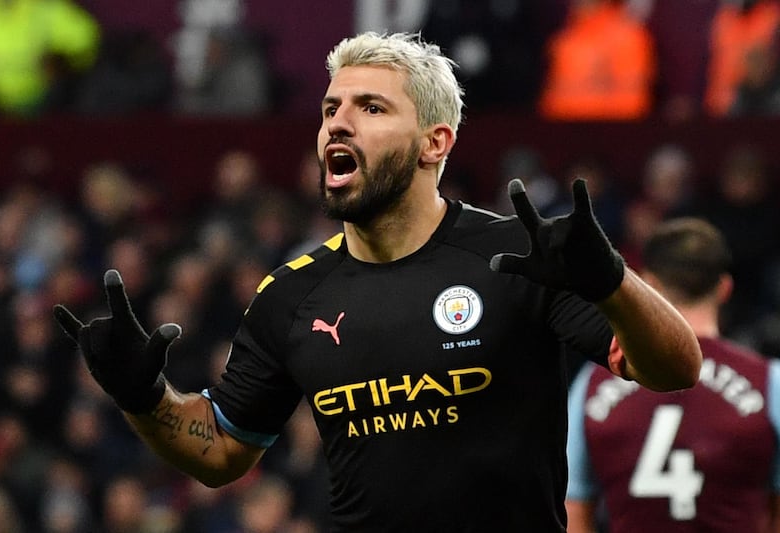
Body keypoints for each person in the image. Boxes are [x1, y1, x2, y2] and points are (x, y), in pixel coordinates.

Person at [52, 31, 701, 532]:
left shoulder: (519, 257)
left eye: (370, 107)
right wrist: (143, 394)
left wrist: (613, 281)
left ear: (433, 143)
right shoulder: (290, 294)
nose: (338, 121)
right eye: (331, 107)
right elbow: (221, 450)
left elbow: (676, 368)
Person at [565, 217, 780, 532]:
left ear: (649, 284)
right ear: (724, 288)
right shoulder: (769, 381)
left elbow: (573, 510)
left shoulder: (593, 382)